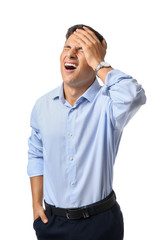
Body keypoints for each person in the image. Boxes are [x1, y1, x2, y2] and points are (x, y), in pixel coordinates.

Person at [27, 24, 146, 240]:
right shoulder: (42, 106)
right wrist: (36, 204)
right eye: (67, 47)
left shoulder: (110, 104)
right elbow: (36, 153)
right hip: (52, 224)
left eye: (82, 49)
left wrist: (99, 63)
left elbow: (134, 96)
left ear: (94, 57)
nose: (71, 53)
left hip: (100, 224)